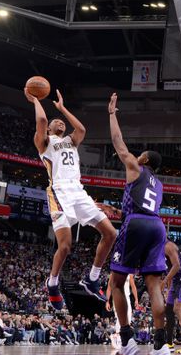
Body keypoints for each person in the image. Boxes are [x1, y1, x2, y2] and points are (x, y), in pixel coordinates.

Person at [25, 87, 117, 309]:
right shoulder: (44, 142)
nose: (61, 123)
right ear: (48, 128)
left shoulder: (71, 141)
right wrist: (36, 99)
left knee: (111, 233)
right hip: (58, 192)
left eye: (62, 122)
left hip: (78, 190)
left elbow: (82, 128)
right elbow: (41, 119)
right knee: (65, 247)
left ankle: (92, 279)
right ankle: (53, 283)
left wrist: (63, 109)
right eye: (57, 122)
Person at [107, 93, 170, 355]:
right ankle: (161, 348)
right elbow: (143, 208)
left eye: (141, 154)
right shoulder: (159, 185)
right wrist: (119, 212)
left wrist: (112, 114)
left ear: (144, 159)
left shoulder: (135, 166)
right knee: (154, 287)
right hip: (156, 225)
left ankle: (127, 340)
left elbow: (118, 144)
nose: (137, 155)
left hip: (136, 225)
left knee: (116, 282)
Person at [105, 273, 138, 351]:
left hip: (127, 298)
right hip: (117, 298)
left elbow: (133, 287)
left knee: (128, 319)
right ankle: (118, 337)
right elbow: (109, 288)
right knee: (120, 318)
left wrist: (136, 299)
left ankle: (116, 336)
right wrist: (107, 301)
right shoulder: (113, 273)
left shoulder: (130, 274)